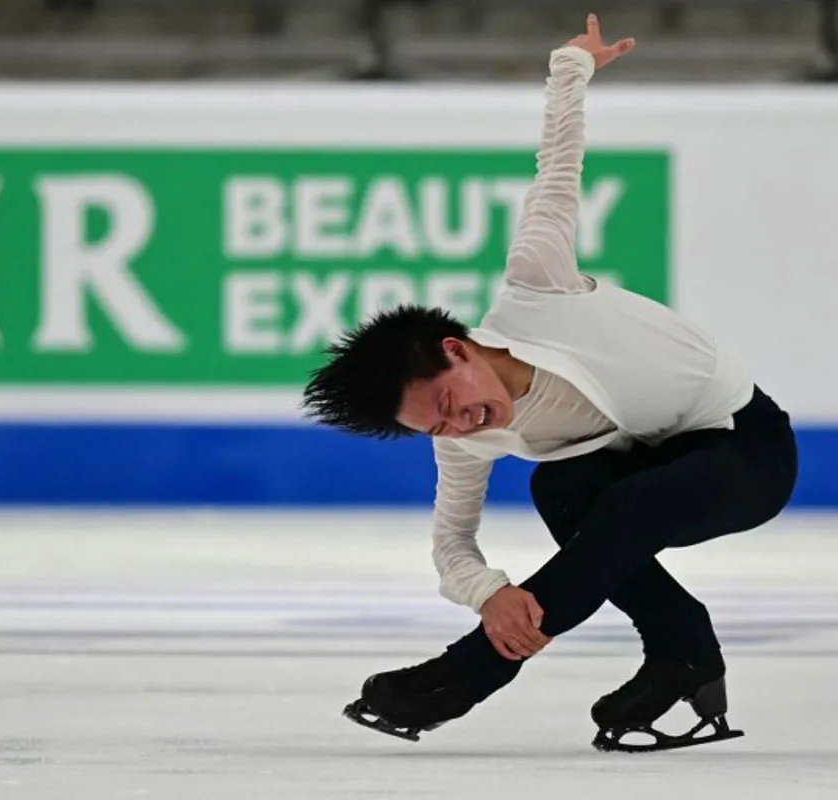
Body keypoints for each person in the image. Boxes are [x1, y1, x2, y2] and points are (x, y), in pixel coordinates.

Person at [300, 14, 798, 752]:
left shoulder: (536, 287)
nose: (460, 427)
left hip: (745, 452)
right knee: (560, 489)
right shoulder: (466, 441)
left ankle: (468, 676)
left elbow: (557, 166)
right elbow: (451, 545)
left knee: (622, 501)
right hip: (651, 470)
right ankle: (682, 652)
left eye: (448, 403)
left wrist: (571, 67)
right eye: (433, 429)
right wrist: (491, 594)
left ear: (458, 349)